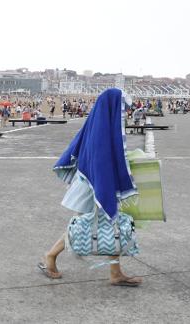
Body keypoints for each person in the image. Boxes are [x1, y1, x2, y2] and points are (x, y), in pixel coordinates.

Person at [38, 88, 142, 286]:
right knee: (93, 224)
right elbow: (102, 160)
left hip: (91, 181)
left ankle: (115, 272)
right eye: (123, 107)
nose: (125, 111)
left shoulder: (99, 124)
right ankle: (50, 257)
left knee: (102, 223)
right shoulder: (103, 129)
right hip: (93, 184)